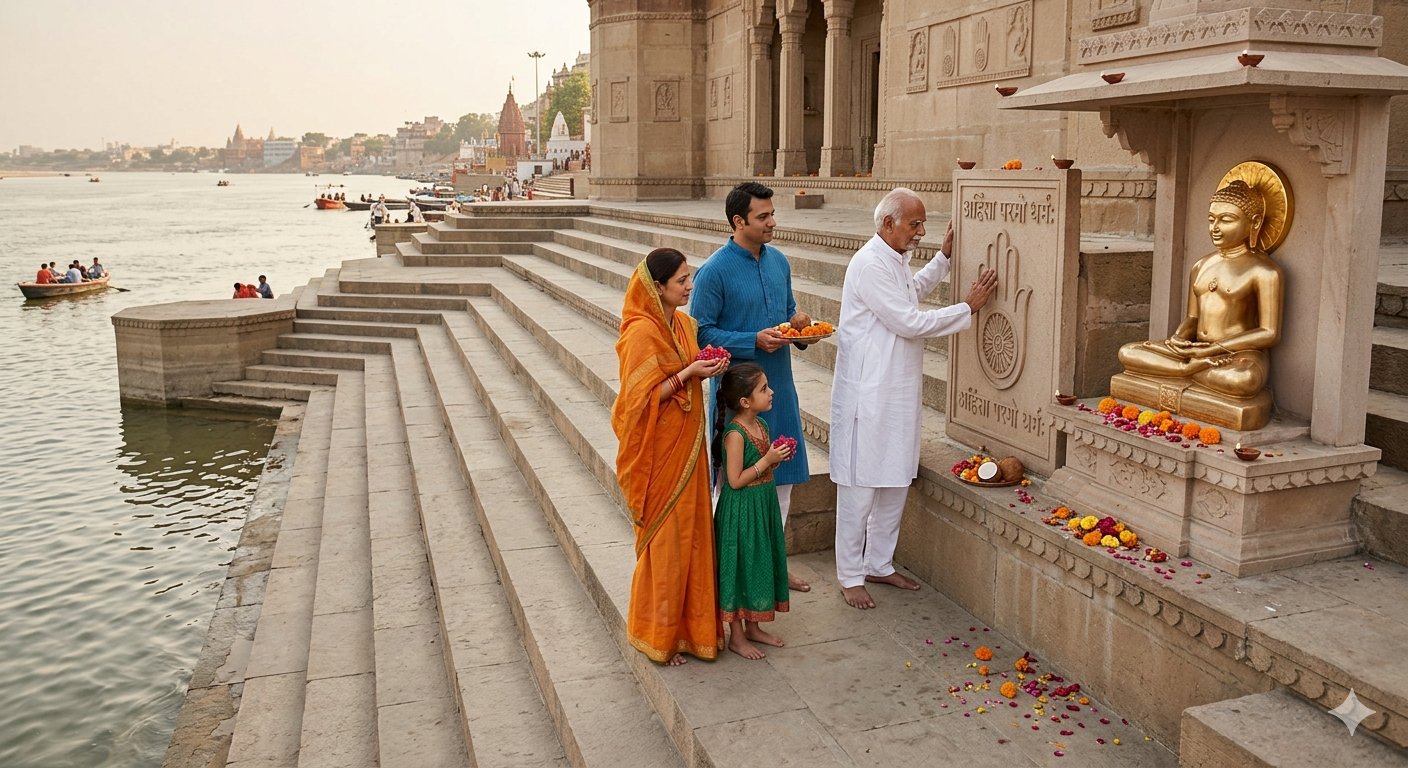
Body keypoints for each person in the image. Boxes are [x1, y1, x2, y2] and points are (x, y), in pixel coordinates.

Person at [829, 187, 998, 610]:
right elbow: (906, 320)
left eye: (923, 224)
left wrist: (942, 259)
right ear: (888, 224)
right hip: (868, 396)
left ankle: (879, 564)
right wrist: (967, 308)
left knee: (894, 480)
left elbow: (909, 293)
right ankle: (850, 574)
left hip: (897, 392)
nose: (921, 231)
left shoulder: (894, 260)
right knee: (860, 486)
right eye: (915, 224)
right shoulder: (869, 264)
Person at [692, 182, 813, 592]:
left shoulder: (779, 262)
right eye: (763, 216)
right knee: (735, 491)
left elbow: (788, 313)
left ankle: (774, 568)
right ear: (738, 221)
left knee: (782, 486)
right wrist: (751, 341)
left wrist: (801, 330)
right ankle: (728, 575)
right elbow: (701, 334)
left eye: (772, 213)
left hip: (778, 389)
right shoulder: (713, 272)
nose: (772, 222)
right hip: (738, 400)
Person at [612, 247, 729, 666]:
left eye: (688, 277)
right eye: (681, 281)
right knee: (667, 542)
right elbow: (639, 400)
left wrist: (707, 364)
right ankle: (659, 632)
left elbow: (688, 365)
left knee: (694, 537)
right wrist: (689, 374)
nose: (689, 286)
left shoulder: (682, 324)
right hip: (660, 453)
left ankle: (692, 629)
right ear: (656, 287)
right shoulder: (641, 333)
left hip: (689, 445)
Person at [713, 362, 792, 660]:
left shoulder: (762, 425)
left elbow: (762, 466)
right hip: (741, 512)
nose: (771, 392)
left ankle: (754, 627)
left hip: (762, 506)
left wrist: (777, 458)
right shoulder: (735, 434)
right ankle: (737, 636)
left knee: (759, 563)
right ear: (745, 402)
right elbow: (734, 481)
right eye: (764, 389)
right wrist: (766, 460)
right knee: (739, 567)